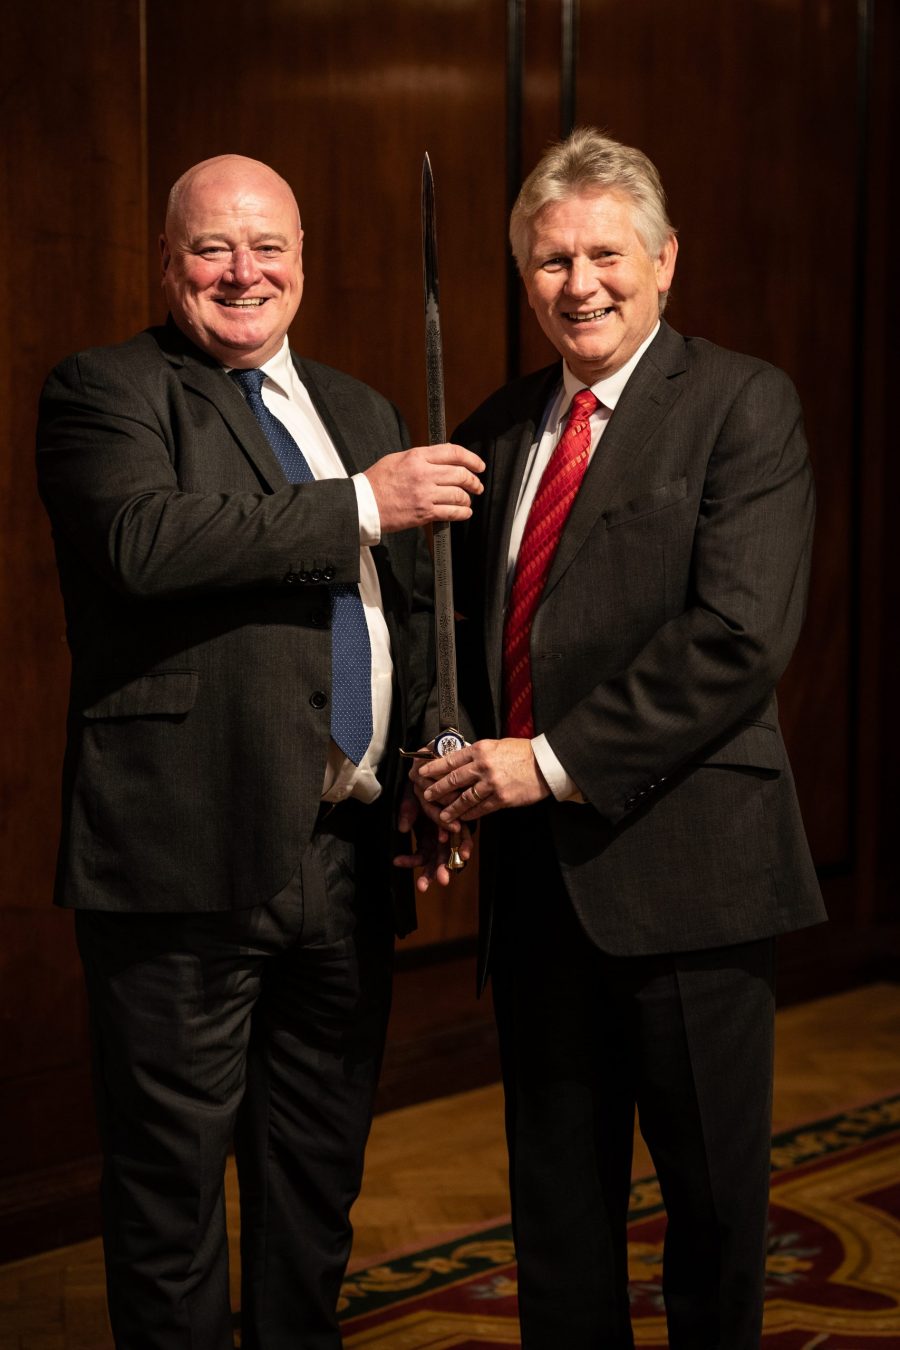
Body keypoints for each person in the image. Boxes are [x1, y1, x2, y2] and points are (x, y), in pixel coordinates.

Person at [36, 153, 483, 1349]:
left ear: (304, 260)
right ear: (167, 260)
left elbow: (418, 614)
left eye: (269, 247)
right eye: (213, 250)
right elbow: (146, 541)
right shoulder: (107, 390)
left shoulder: (361, 410)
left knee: (314, 1183)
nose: (245, 273)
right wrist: (360, 506)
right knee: (170, 1197)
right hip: (182, 859)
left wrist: (435, 743)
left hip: (344, 859)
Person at [412, 128, 826, 1349]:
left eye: (604, 253)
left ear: (666, 260)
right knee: (557, 1226)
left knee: (709, 1223)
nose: (578, 282)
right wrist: (443, 762)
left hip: (692, 878)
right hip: (539, 900)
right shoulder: (495, 429)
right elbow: (473, 640)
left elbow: (738, 637)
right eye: (550, 261)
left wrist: (537, 765)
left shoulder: (742, 405)